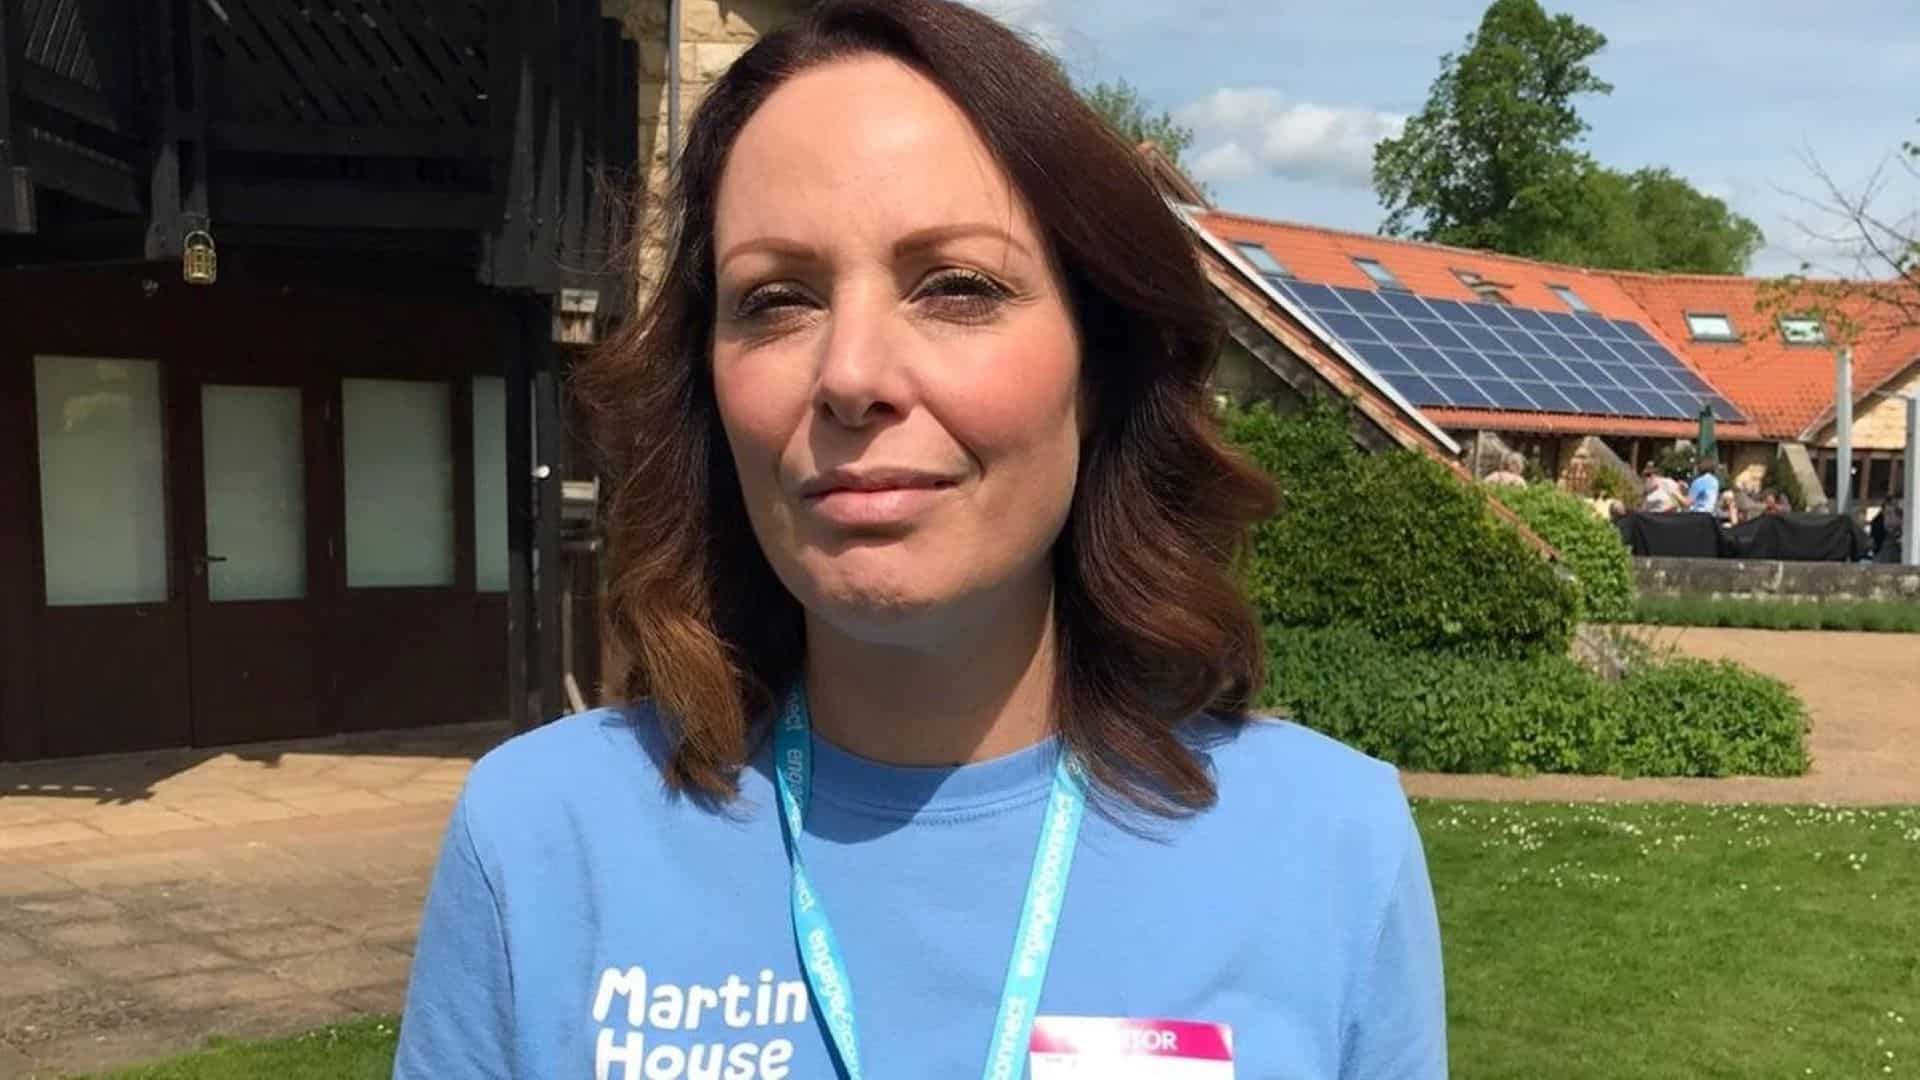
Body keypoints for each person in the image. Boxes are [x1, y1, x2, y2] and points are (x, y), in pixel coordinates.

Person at [392, 3, 1446, 1079]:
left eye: (957, 288)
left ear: (1101, 367)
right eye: (778, 298)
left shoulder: (1326, 847)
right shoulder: (540, 842)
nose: (851, 374)